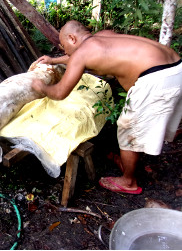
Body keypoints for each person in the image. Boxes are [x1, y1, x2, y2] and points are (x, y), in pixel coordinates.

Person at [34, 21, 182, 195]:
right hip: (176, 67)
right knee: (140, 126)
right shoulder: (103, 36)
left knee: (128, 128)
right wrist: (53, 60)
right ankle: (132, 163)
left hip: (156, 79)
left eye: (65, 47)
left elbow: (59, 93)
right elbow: (77, 56)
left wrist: (40, 87)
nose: (65, 52)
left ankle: (129, 181)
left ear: (72, 38)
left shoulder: (82, 53)